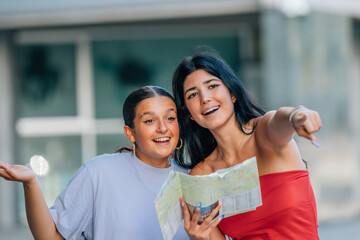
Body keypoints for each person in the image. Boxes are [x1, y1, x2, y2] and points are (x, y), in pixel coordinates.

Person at [0, 86, 194, 240]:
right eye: (149, 121)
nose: (162, 128)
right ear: (130, 132)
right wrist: (31, 183)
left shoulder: (193, 180)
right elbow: (50, 236)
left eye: (170, 118)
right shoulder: (99, 173)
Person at [172, 51, 321, 240]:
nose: (205, 99)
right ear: (189, 113)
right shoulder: (201, 177)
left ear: (232, 93)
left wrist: (298, 116)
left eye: (213, 86)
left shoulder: (265, 133)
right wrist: (199, 237)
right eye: (193, 94)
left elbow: (281, 118)